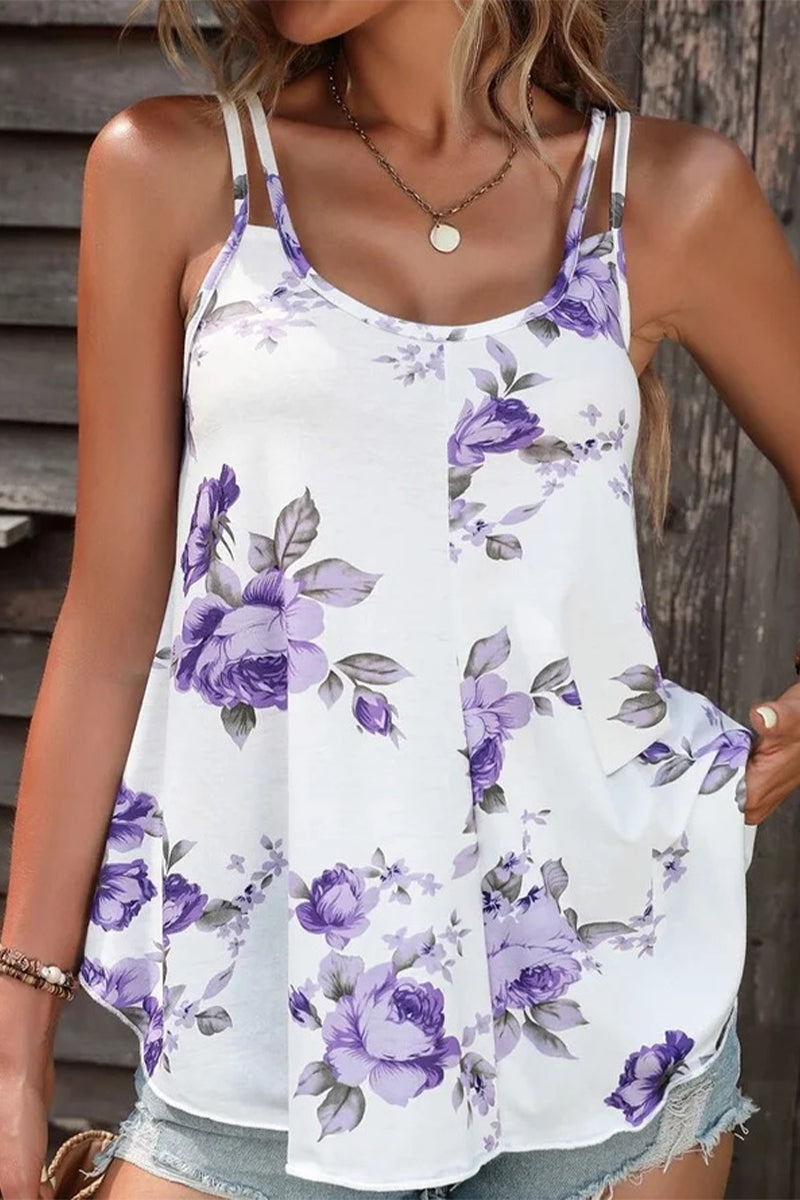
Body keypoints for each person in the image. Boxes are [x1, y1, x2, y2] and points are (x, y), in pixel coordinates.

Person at [2, 1, 800, 1198]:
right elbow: (111, 627)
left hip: (599, 1018)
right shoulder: (174, 172)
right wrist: (15, 1046)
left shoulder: (664, 197)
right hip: (259, 1021)